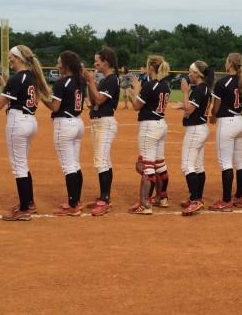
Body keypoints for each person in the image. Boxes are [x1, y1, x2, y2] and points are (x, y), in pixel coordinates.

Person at [0, 44, 51, 220]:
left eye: (11, 57)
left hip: (18, 122)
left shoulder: (18, 78)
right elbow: (19, 99)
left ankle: (24, 209)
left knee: (19, 166)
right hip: (30, 121)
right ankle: (28, 203)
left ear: (19, 58)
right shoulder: (32, 77)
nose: (10, 60)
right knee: (22, 164)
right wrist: (5, 87)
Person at [40, 51, 86, 216]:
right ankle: (76, 201)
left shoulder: (62, 82)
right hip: (78, 122)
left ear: (66, 65)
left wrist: (41, 97)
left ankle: (73, 205)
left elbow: (55, 107)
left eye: (59, 62)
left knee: (69, 166)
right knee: (75, 164)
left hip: (64, 124)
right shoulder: (80, 81)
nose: (57, 65)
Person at [128, 55, 171, 215]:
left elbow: (136, 106)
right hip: (161, 124)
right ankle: (162, 197)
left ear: (151, 68)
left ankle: (145, 204)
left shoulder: (150, 85)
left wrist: (136, 90)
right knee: (160, 164)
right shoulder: (165, 85)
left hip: (149, 126)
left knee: (147, 166)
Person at [208, 53, 242, 212]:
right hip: (241, 121)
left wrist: (212, 116)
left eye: (227, 61)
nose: (225, 63)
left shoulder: (222, 82)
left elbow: (216, 107)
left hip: (227, 123)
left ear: (230, 64)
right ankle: (238, 197)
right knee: (240, 161)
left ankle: (226, 200)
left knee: (225, 163)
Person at [171, 60, 213, 216]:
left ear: (197, 74)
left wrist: (185, 93)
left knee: (187, 165)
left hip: (195, 130)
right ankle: (197, 198)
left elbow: (190, 109)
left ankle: (195, 200)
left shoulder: (200, 88)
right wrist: (183, 104)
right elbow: (191, 108)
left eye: (190, 72)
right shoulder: (204, 88)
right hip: (200, 128)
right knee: (198, 165)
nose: (189, 74)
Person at [84, 47, 120, 216]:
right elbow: (94, 101)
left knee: (101, 161)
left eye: (97, 60)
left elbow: (99, 99)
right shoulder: (105, 79)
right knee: (102, 160)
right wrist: (90, 85)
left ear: (106, 61)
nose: (95, 63)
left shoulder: (112, 79)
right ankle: (103, 197)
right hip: (98, 121)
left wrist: (91, 81)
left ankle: (105, 200)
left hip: (105, 122)